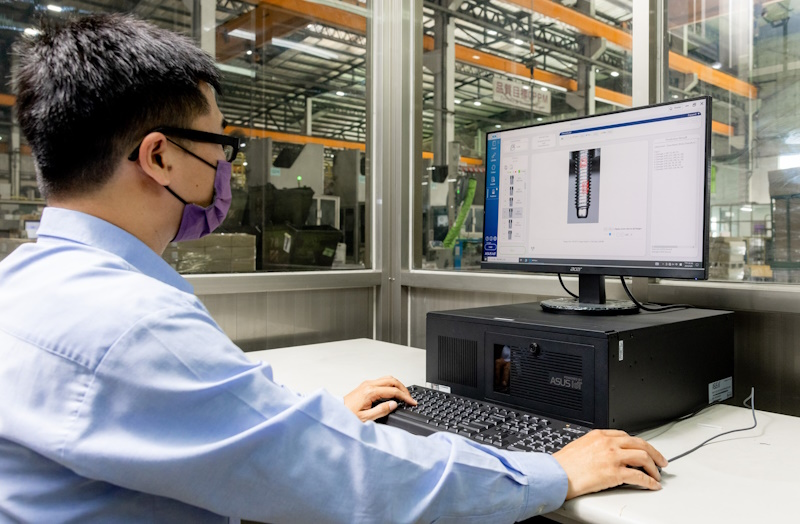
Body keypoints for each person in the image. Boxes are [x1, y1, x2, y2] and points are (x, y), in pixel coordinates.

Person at [0, 14, 667, 523]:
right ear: (160, 157)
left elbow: (208, 423)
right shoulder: (131, 323)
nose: (224, 169)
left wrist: (305, 428)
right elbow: (361, 482)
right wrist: (551, 473)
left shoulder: (26, 281)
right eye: (221, 144)